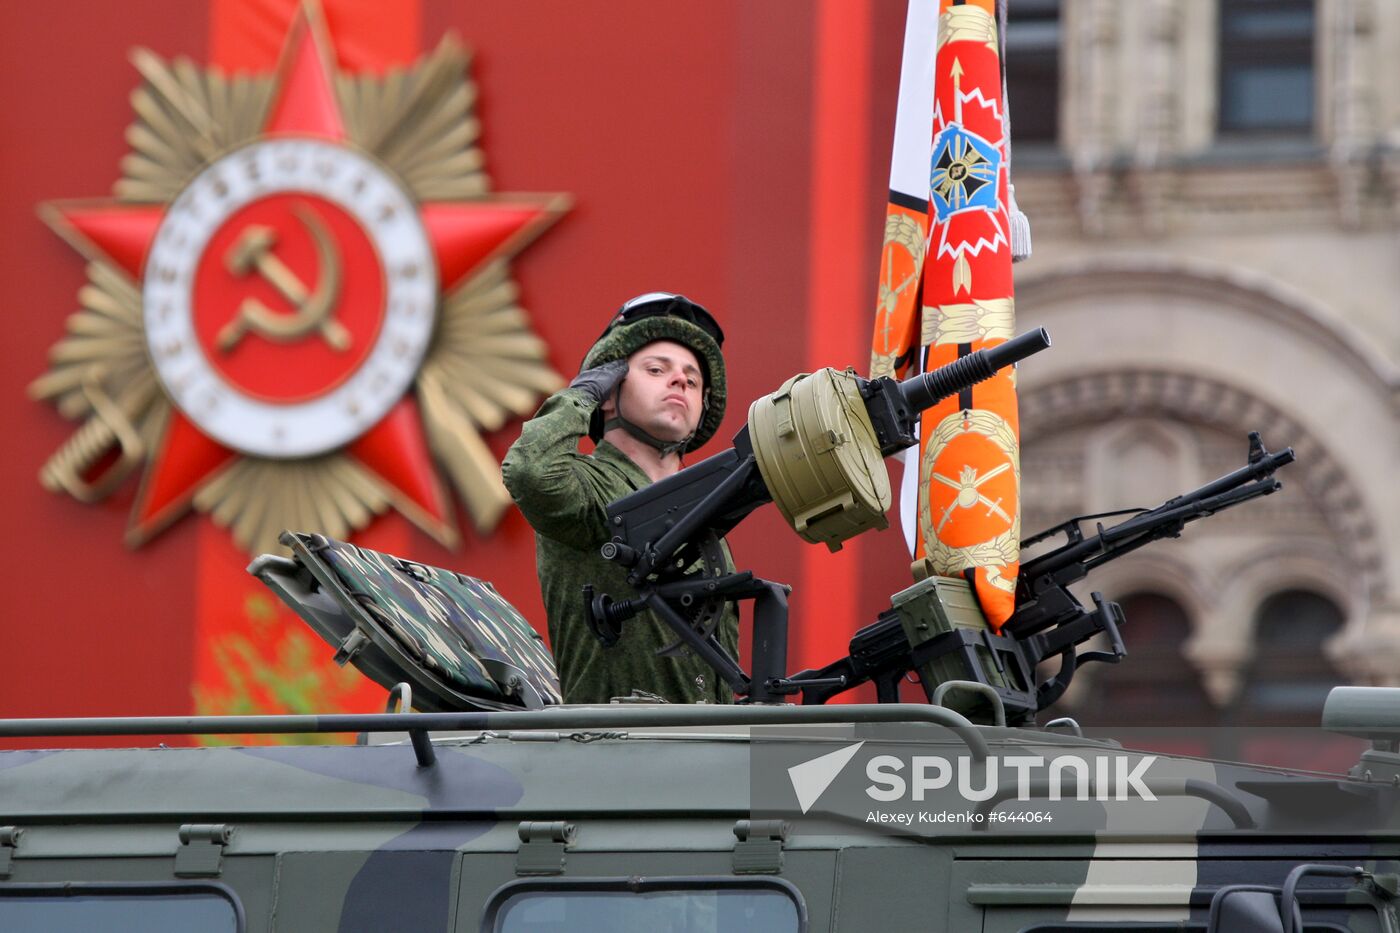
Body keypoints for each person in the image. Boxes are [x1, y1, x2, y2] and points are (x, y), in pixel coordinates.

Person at [502, 293, 739, 704]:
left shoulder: (707, 515)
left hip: (713, 751)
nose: (680, 380)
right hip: (616, 751)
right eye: (655, 369)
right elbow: (529, 471)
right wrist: (583, 394)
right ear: (609, 394)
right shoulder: (586, 486)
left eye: (693, 378)